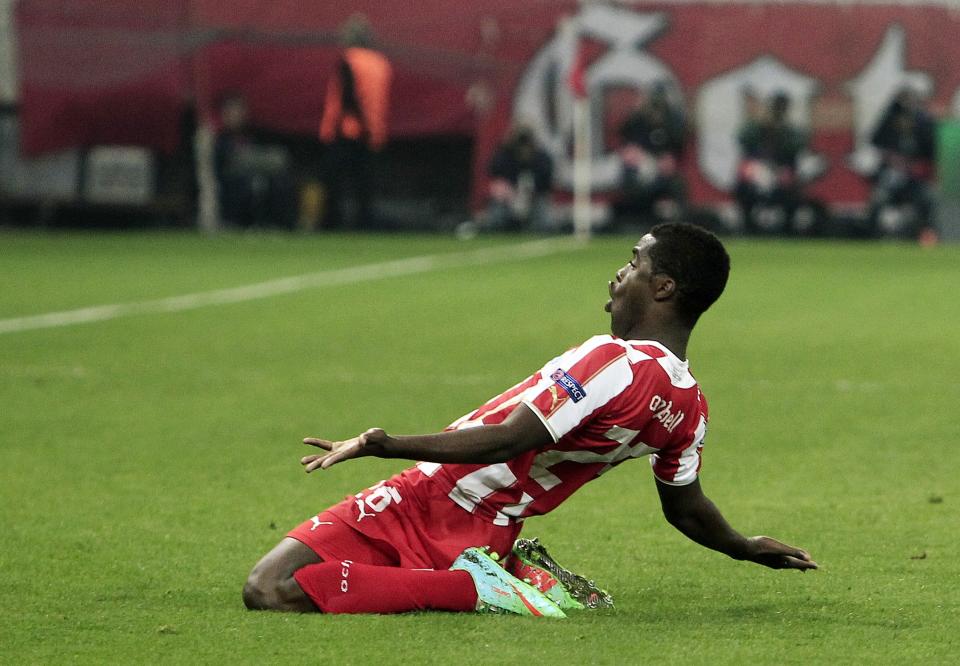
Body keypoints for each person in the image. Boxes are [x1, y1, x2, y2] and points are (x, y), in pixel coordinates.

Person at [243, 223, 817, 617]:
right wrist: (743, 546)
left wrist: (381, 443)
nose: (618, 275)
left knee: (269, 588)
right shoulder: (689, 407)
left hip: (434, 496)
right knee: (288, 586)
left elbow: (512, 439)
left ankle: (480, 589)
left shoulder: (613, 361)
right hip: (489, 527)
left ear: (663, 287)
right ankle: (496, 573)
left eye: (633, 263)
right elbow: (684, 507)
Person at [319, 14, 392, 229]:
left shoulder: (349, 60)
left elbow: (348, 97)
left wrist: (333, 128)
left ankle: (333, 223)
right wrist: (373, 128)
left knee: (334, 180)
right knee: (365, 183)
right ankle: (365, 223)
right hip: (374, 131)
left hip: (348, 129)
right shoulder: (381, 63)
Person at [213, 93, 295, 229]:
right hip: (233, 185)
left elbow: (278, 159)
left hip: (262, 178)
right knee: (245, 187)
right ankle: (237, 223)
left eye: (239, 110)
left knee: (278, 183)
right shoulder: (220, 141)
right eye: (232, 111)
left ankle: (275, 224)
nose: (236, 115)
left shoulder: (257, 135)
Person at [734, 91, 808, 234]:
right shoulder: (755, 128)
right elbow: (743, 140)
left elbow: (796, 147)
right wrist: (761, 124)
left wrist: (781, 130)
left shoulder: (790, 130)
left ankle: (788, 229)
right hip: (757, 170)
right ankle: (748, 227)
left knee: (793, 192)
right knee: (744, 188)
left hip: (781, 171)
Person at [868, 88, 937, 240]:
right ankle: (873, 236)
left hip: (914, 176)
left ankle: (925, 234)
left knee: (926, 200)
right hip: (890, 174)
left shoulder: (922, 123)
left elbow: (930, 151)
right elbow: (875, 141)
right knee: (880, 200)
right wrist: (892, 158)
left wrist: (913, 164)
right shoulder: (889, 119)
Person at [616, 83, 687, 223]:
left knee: (677, 185)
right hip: (641, 162)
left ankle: (678, 221)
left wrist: (669, 159)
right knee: (632, 181)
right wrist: (633, 152)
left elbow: (678, 146)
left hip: (663, 167)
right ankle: (635, 220)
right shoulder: (637, 119)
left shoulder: (672, 121)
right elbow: (625, 139)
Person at [482, 125, 556, 232]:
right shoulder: (504, 156)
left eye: (526, 144)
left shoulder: (541, 159)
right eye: (521, 144)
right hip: (509, 199)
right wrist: (511, 192)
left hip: (535, 198)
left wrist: (530, 193)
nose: (524, 148)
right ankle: (502, 227)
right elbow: (494, 172)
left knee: (545, 222)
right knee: (496, 215)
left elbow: (547, 183)